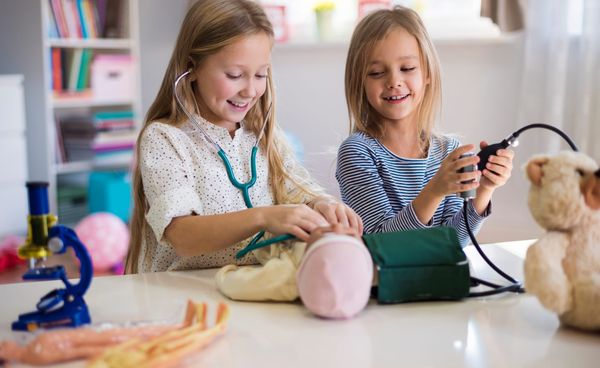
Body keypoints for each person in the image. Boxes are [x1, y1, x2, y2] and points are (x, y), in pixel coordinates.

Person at [125, 0, 361, 274]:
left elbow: (297, 191)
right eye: (235, 75)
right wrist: (263, 217)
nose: (250, 90)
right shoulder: (165, 139)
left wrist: (323, 204)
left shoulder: (262, 137)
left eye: (261, 74)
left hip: (251, 287)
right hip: (185, 294)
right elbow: (182, 236)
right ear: (192, 67)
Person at [336, 6, 514, 247]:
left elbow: (453, 242)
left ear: (427, 73)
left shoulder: (448, 151)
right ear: (359, 82)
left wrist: (484, 190)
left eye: (407, 69)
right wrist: (434, 191)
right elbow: (382, 245)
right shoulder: (357, 153)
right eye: (377, 72)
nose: (394, 82)